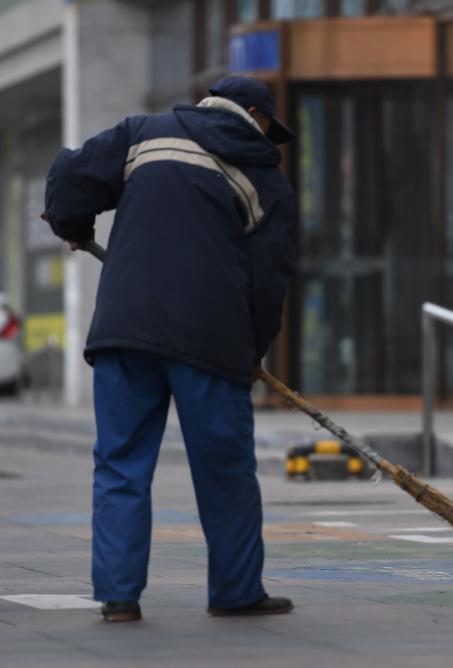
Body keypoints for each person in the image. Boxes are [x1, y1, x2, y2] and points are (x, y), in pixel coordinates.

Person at [43, 76, 298, 622]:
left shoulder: (143, 134)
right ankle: (234, 592)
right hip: (211, 339)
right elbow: (269, 278)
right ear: (252, 113)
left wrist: (72, 223)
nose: (268, 136)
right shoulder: (264, 177)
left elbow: (70, 172)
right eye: (266, 125)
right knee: (224, 470)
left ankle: (118, 598)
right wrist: (254, 350)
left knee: (119, 465)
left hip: (125, 329)